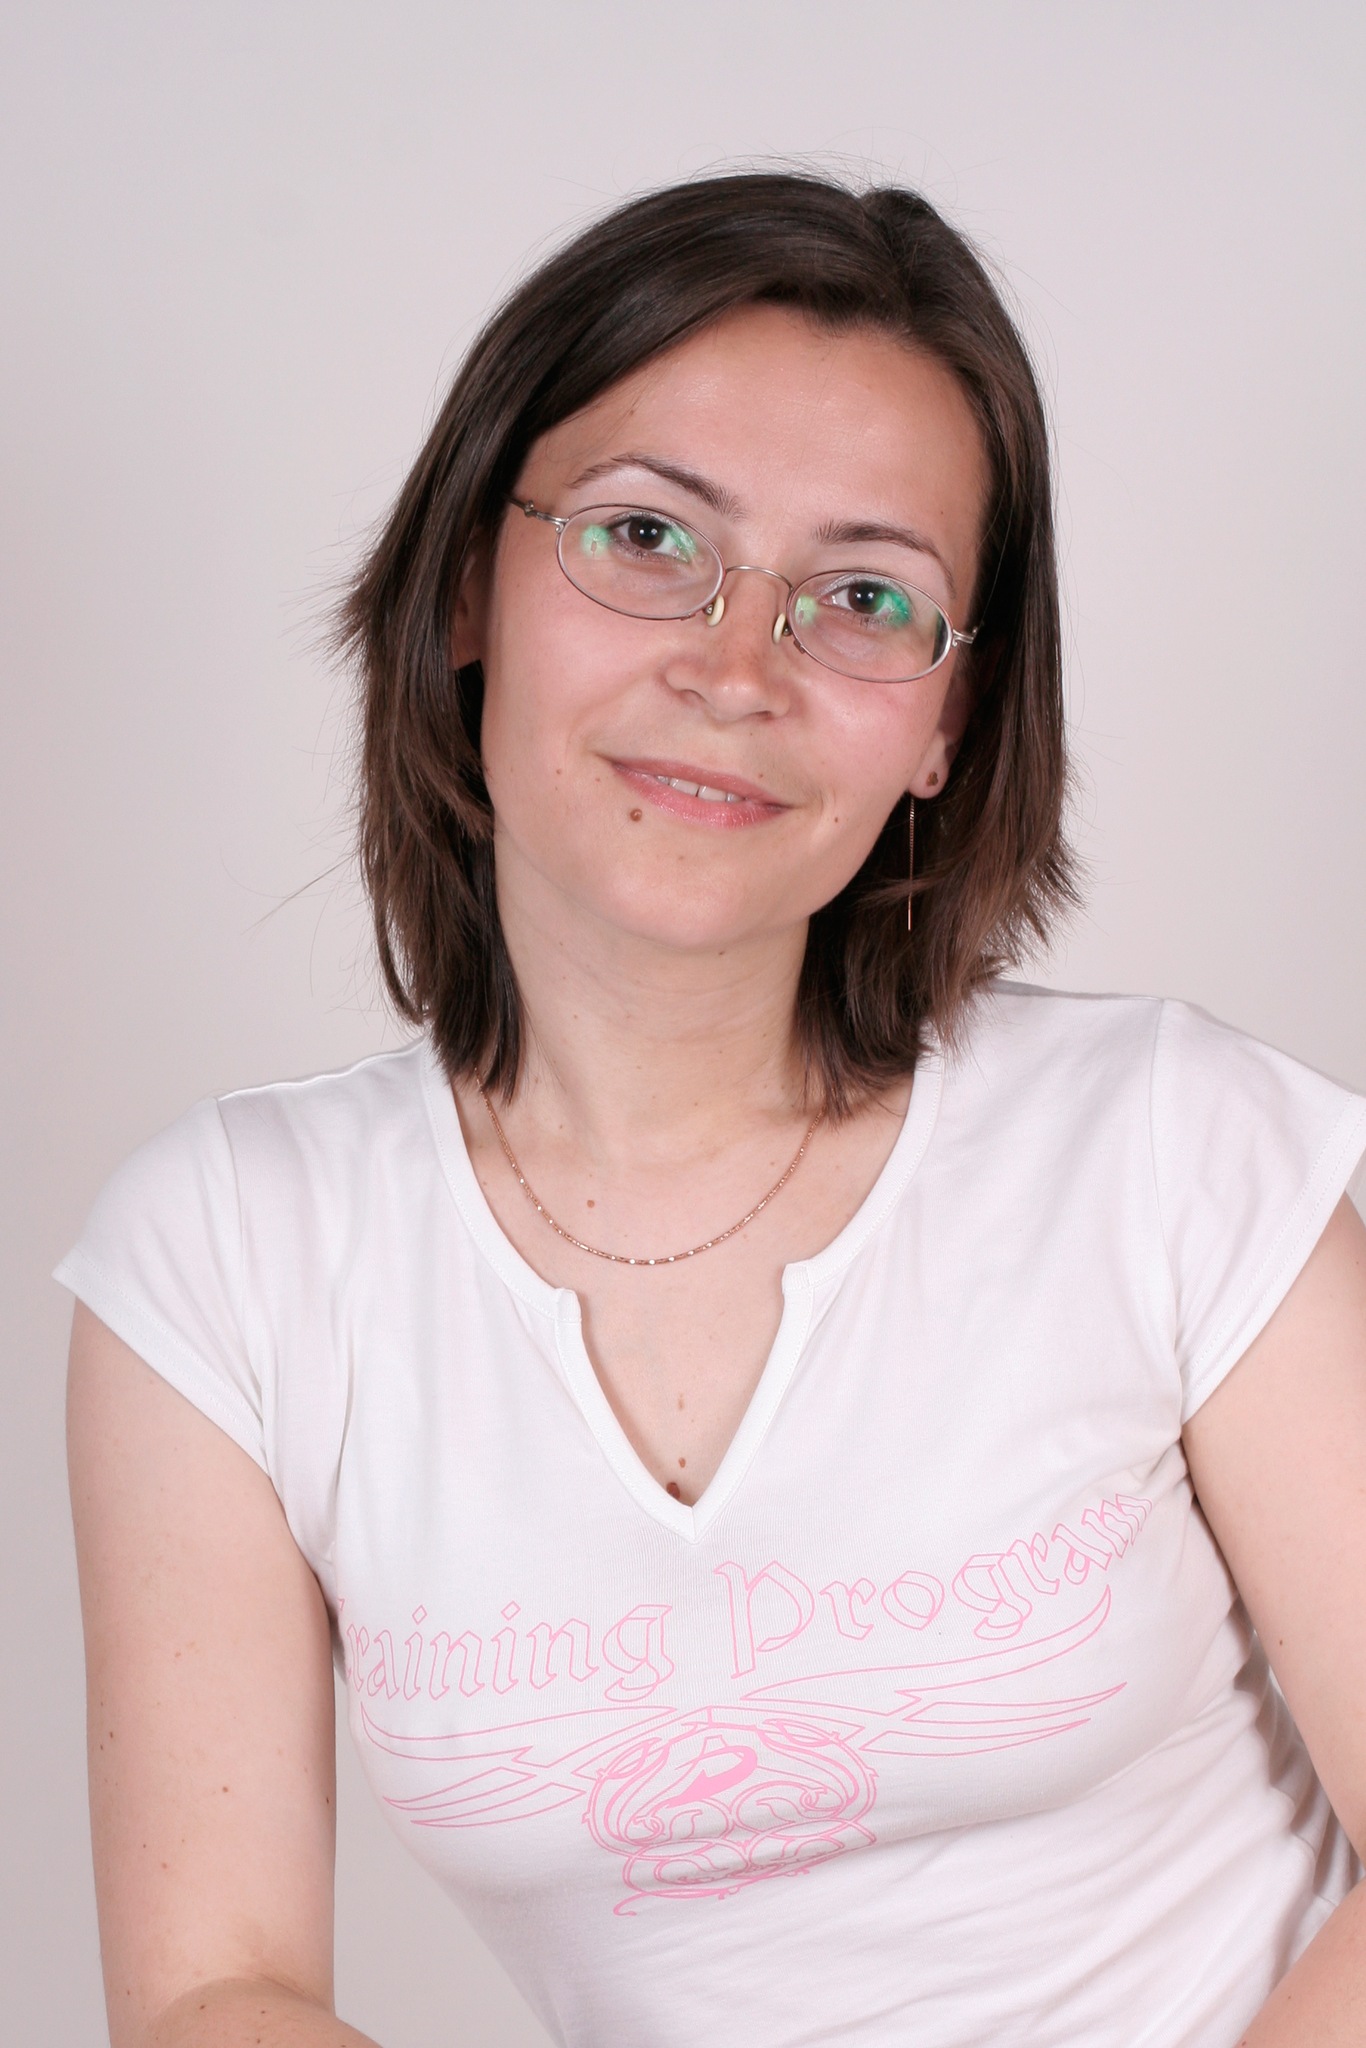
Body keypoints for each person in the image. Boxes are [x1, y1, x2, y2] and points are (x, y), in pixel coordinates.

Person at [61, 171, 1366, 2048]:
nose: (734, 669)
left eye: (864, 597)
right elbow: (214, 1987)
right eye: (644, 536)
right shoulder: (225, 1257)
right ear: (464, 587)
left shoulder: (1172, 1149)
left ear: (945, 723)